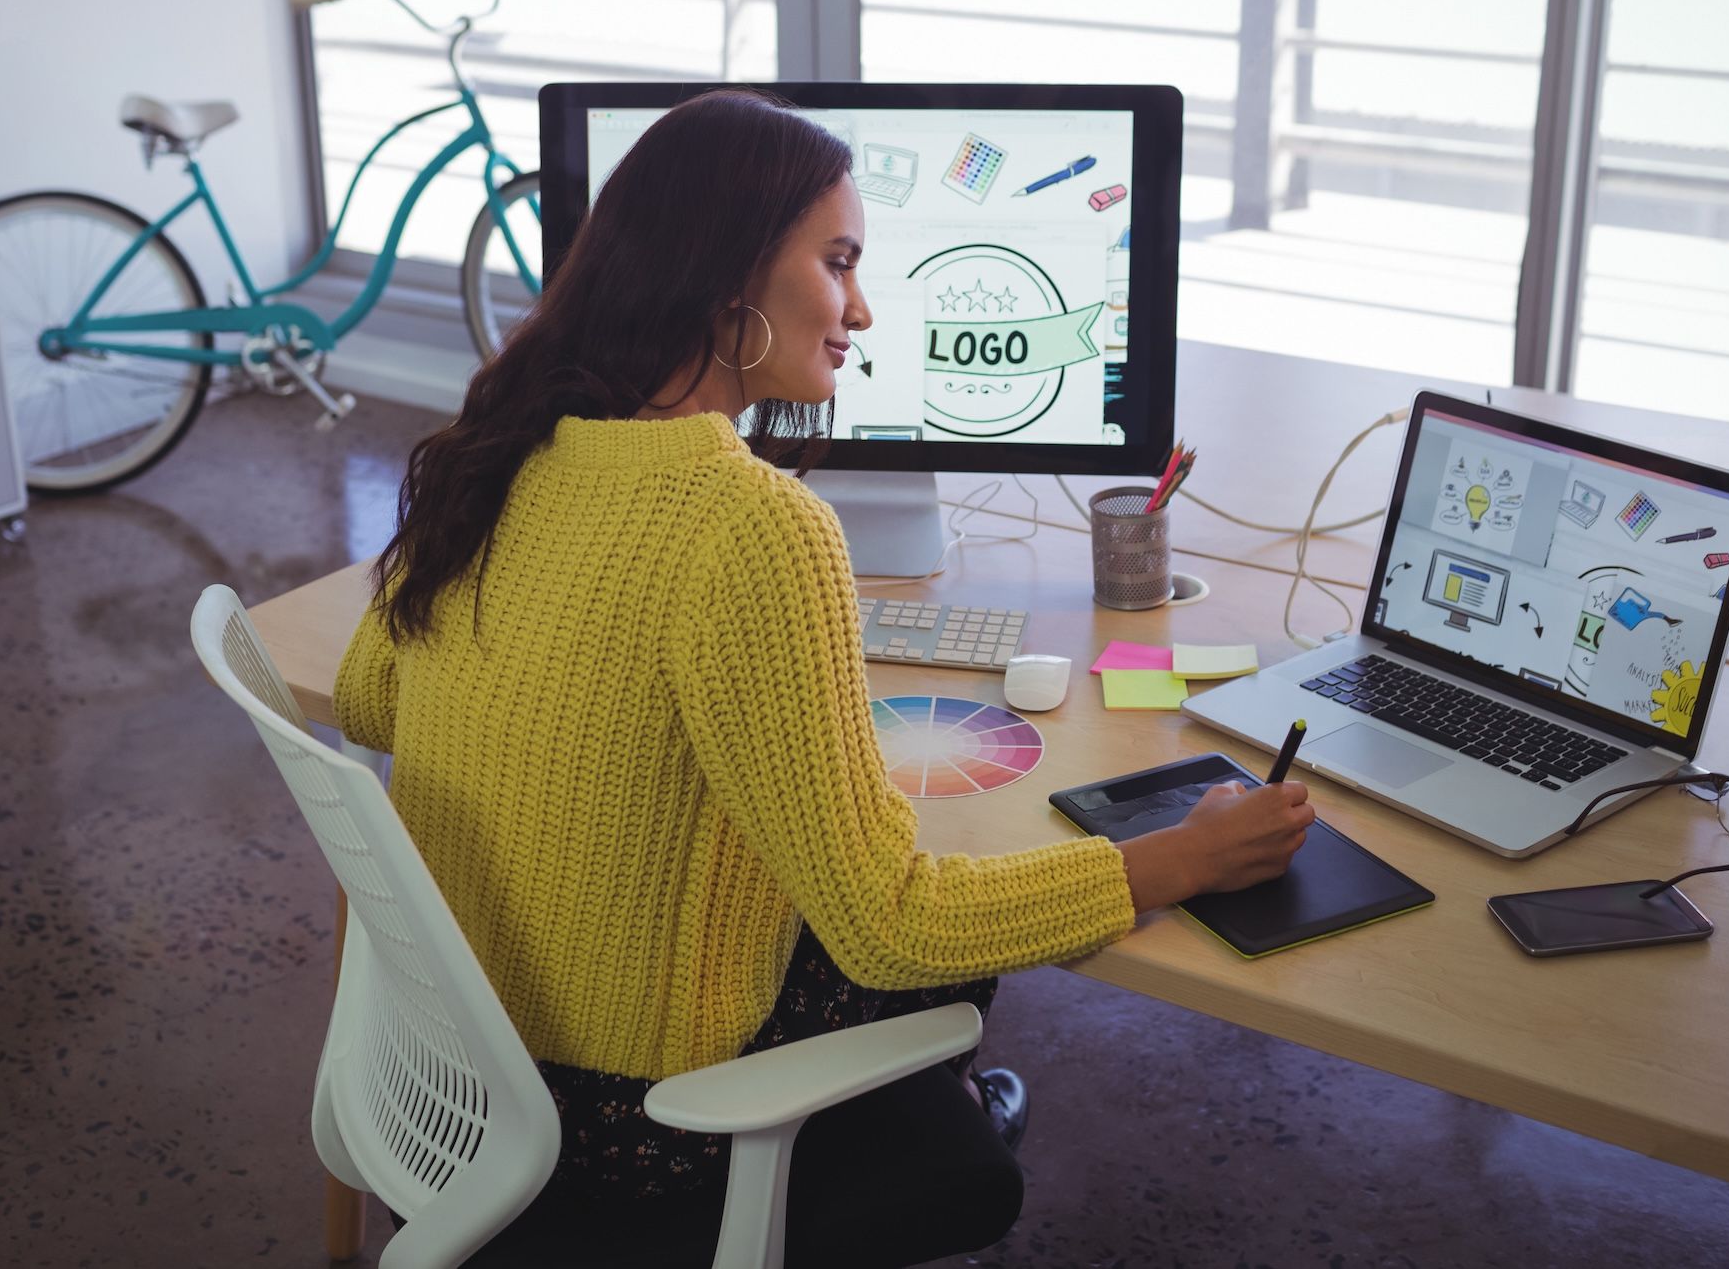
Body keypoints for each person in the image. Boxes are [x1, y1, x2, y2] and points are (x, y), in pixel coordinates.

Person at [333, 88, 1313, 1266]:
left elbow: (369, 698)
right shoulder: (753, 527)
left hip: (461, 1081)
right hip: (633, 1129)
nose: (856, 308)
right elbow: (885, 927)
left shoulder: (493, 455)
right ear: (726, 273)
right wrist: (1177, 859)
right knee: (950, 919)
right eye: (837, 260)